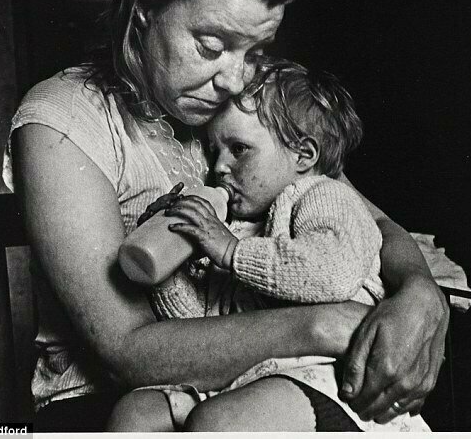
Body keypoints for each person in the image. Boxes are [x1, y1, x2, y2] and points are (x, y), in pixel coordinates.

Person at [3, 0, 449, 432]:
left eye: (255, 52)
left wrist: (421, 292)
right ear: (144, 6)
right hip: (117, 400)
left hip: (265, 382)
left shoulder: (251, 106)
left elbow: (369, 222)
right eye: (211, 46)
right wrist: (326, 326)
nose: (235, 80)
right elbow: (125, 351)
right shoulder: (62, 121)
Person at [106, 59, 432, 432]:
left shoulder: (324, 196)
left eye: (239, 149)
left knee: (218, 422)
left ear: (303, 155)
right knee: (136, 413)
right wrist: (167, 268)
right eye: (214, 151)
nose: (219, 167)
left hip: (325, 372)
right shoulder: (235, 226)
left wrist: (231, 252)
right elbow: (201, 324)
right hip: (250, 374)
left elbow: (334, 274)